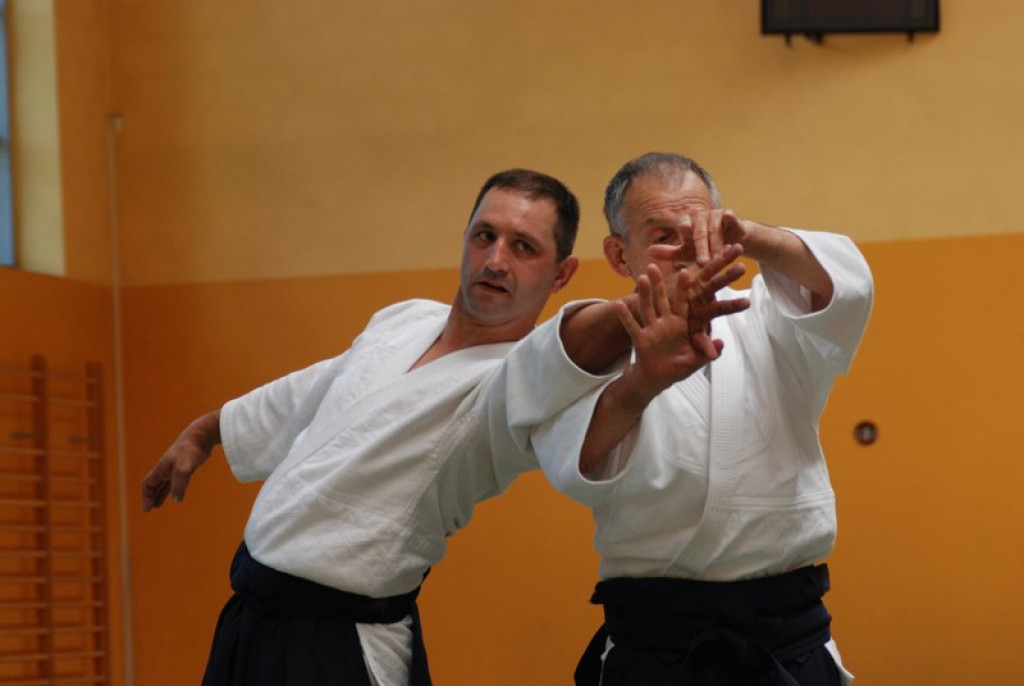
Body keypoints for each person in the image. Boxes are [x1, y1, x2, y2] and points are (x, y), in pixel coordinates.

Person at [140, 166, 752, 686]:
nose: (495, 259)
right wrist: (206, 431)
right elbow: (312, 389)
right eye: (485, 236)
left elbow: (571, 342)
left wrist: (645, 307)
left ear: (561, 274)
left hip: (343, 644)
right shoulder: (404, 320)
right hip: (250, 623)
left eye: (523, 247)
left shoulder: (518, 380)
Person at [530, 152, 874, 685]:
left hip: (788, 636)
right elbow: (576, 463)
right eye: (665, 234)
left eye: (703, 229)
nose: (690, 250)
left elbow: (848, 286)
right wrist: (642, 383)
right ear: (620, 254)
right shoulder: (597, 343)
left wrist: (755, 237)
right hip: (657, 643)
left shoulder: (772, 316)